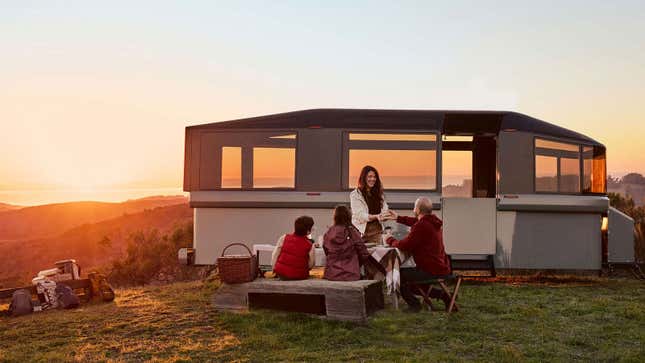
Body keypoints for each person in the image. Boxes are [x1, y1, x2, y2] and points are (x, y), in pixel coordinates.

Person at [384, 197, 452, 311]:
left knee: (399, 274)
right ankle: (444, 295)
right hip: (441, 266)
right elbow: (416, 222)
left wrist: (389, 239)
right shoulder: (432, 221)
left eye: (414, 206)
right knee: (412, 283)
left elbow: (404, 245)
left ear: (418, 210)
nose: (413, 208)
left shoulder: (422, 226)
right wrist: (398, 218)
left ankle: (414, 305)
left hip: (431, 269)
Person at [323, 205, 371, 281]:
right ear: (349, 216)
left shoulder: (328, 232)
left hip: (331, 274)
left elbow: (326, 251)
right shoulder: (352, 232)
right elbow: (364, 253)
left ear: (335, 216)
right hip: (351, 274)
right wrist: (355, 264)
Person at [350, 165, 390, 245]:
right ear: (364, 178)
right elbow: (360, 215)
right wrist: (376, 216)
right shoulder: (355, 194)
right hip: (360, 232)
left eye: (374, 177)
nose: (373, 179)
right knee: (359, 256)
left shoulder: (379, 194)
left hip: (376, 232)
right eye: (370, 176)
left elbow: (384, 210)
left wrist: (385, 216)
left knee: (376, 256)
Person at [271, 216, 316, 280]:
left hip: (281, 274)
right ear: (308, 231)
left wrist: (274, 268)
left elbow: (275, 255)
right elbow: (311, 264)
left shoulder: (284, 237)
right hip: (300, 275)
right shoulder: (310, 244)